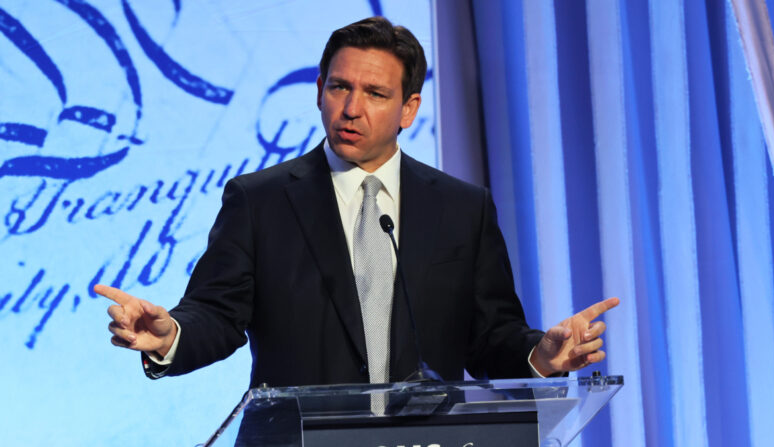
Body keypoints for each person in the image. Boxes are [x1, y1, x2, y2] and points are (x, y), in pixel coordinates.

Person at [97, 17, 618, 389]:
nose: (351, 108)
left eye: (375, 93)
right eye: (340, 87)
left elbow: (489, 336)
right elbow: (217, 313)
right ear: (319, 89)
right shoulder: (260, 201)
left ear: (409, 108)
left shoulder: (463, 209)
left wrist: (539, 355)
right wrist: (172, 336)